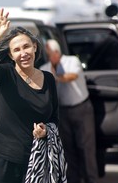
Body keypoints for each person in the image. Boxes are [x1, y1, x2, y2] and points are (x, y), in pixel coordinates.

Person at [0, 8, 60, 183]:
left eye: (26, 46)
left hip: (36, 158)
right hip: (5, 157)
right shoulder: (5, 74)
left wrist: (46, 130)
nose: (23, 53)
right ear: (11, 55)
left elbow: (55, 118)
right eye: (16, 50)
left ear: (35, 47)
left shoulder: (48, 78)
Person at [40, 39, 98, 183]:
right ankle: (73, 179)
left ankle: (91, 179)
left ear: (56, 52)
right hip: (63, 111)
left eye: (50, 54)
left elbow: (73, 76)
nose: (49, 58)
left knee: (86, 148)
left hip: (81, 108)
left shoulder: (72, 61)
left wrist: (56, 78)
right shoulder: (46, 67)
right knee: (68, 149)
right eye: (47, 55)